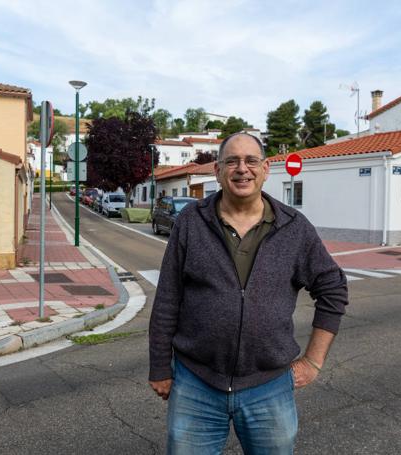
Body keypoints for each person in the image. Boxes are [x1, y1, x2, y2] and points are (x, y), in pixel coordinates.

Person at [148, 132, 348, 454]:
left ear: (266, 169)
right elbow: (168, 297)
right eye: (232, 161)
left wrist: (313, 360)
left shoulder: (294, 228)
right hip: (196, 382)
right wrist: (159, 366)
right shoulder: (191, 221)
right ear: (217, 170)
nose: (242, 169)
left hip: (269, 386)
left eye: (251, 160)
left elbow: (333, 288)